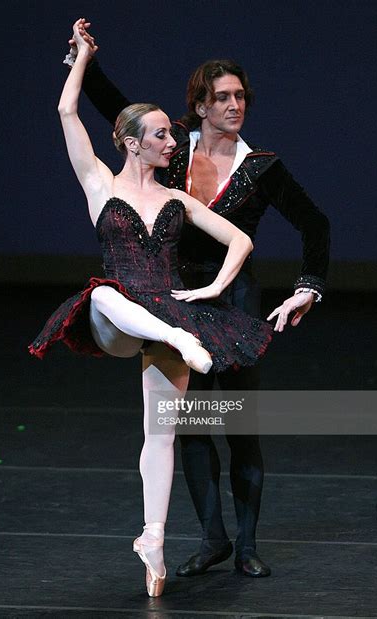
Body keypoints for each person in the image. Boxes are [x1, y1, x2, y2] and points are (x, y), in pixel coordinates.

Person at [68, 19, 331, 578]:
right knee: (185, 422)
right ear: (200, 105)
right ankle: (211, 538)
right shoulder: (173, 147)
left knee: (239, 422)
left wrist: (307, 287)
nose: (235, 105)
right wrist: (84, 60)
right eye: (223, 97)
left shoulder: (262, 167)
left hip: (233, 299)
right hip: (172, 295)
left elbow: (315, 223)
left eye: (240, 96)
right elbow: (116, 110)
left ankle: (247, 543)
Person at [29, 19, 273, 597]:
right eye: (162, 135)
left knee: (160, 431)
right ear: (133, 142)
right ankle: (183, 337)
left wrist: (214, 290)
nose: (173, 142)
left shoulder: (178, 199)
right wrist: (83, 58)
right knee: (106, 292)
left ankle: (154, 543)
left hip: (168, 313)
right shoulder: (100, 185)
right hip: (116, 319)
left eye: (172, 134)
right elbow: (68, 115)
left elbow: (240, 240)